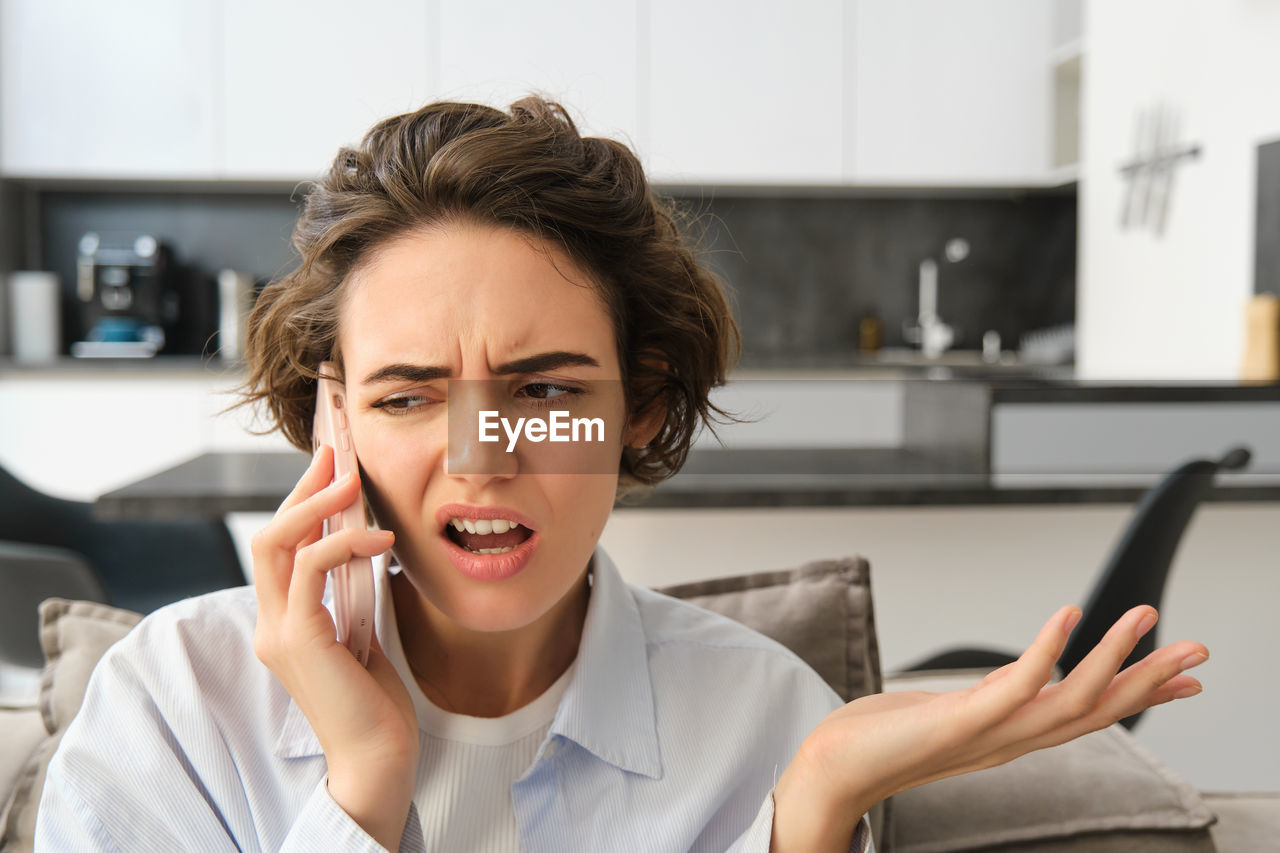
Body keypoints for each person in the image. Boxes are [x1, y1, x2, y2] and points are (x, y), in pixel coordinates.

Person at [34, 97, 1210, 853]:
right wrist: (362, 782)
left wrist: (808, 813)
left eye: (545, 392)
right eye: (405, 396)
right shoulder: (170, 709)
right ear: (329, 417)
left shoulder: (768, 720)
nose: (478, 456)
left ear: (635, 403)